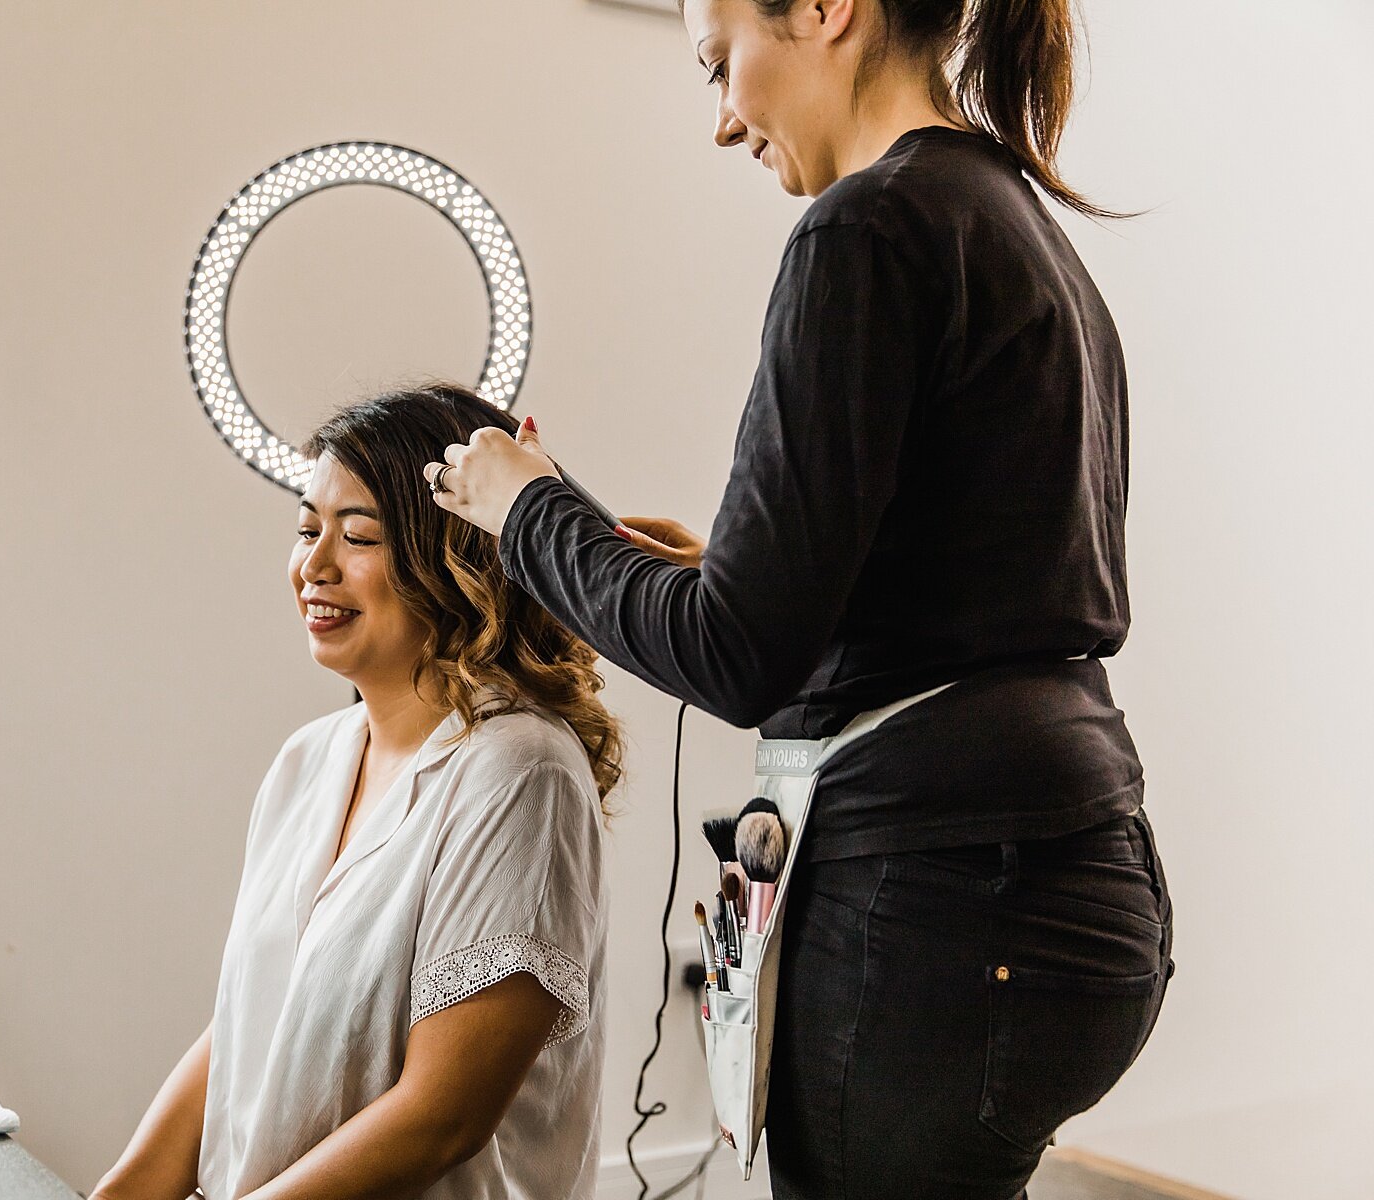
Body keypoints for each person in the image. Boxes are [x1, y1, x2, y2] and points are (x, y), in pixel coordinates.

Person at [425, 1, 1173, 1197]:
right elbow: (955, 592)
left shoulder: (866, 228)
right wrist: (712, 570)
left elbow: (736, 658)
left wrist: (527, 510)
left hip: (942, 909)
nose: (723, 121)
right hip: (1073, 878)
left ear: (826, 9)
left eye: (723, 65)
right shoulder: (1012, 222)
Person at [93, 384, 621, 1200]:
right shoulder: (308, 763)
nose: (315, 567)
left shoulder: (522, 773)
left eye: (360, 536)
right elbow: (248, 1028)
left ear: (458, 557)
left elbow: (441, 1115)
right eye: (308, 530)